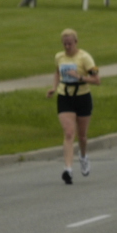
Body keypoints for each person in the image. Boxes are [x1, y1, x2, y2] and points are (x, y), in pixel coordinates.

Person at [46, 28, 100, 185]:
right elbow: (57, 73)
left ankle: (83, 156)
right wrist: (54, 88)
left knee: (82, 136)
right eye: (65, 44)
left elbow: (97, 80)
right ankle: (68, 169)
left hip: (83, 97)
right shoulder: (59, 57)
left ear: (76, 42)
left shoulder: (84, 58)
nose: (67, 47)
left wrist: (80, 77)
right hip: (65, 97)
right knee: (69, 133)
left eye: (70, 43)